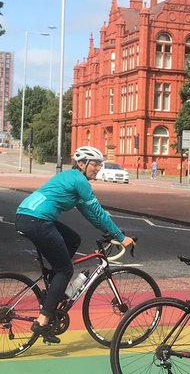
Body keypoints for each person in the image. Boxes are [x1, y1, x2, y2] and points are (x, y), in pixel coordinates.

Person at [14, 146, 136, 343]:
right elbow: (97, 211)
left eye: (100, 164)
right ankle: (42, 321)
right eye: (95, 164)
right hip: (38, 221)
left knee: (73, 240)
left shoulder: (72, 179)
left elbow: (91, 215)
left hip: (28, 217)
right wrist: (120, 236)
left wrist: (107, 231)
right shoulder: (79, 181)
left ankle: (54, 288)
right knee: (65, 270)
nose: (98, 168)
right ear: (82, 164)